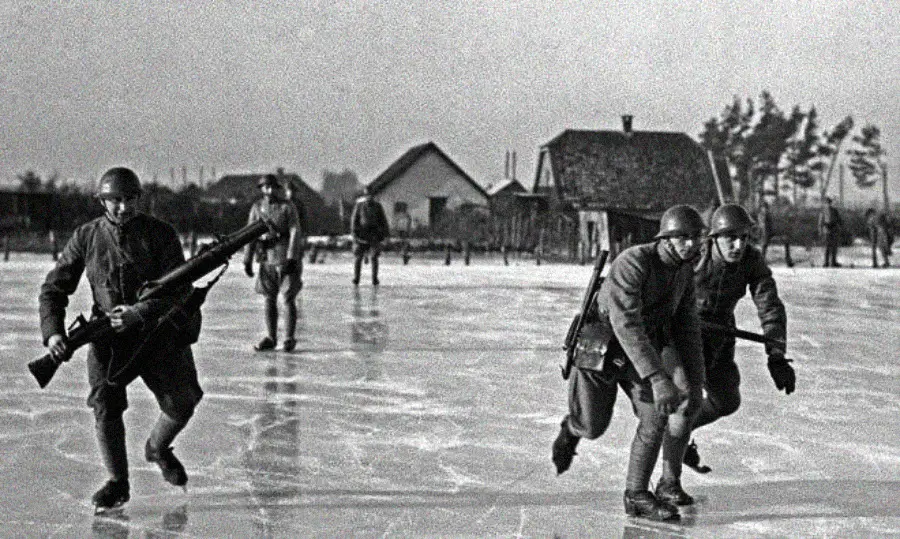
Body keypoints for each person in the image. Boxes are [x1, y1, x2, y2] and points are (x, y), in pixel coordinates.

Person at [39, 167, 204, 512]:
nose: (123, 208)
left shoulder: (161, 235)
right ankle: (117, 483)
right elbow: (54, 288)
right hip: (108, 338)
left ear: (139, 200)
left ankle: (158, 449)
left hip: (157, 334)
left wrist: (140, 312)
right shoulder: (86, 236)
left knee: (181, 403)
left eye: (129, 200)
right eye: (114, 200)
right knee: (105, 406)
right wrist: (54, 332)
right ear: (102, 201)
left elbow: (179, 290)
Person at [551, 204, 706, 522]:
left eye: (695, 237)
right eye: (682, 237)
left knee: (655, 416)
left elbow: (686, 325)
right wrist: (658, 378)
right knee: (593, 426)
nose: (690, 244)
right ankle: (572, 428)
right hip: (601, 349)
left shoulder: (684, 271)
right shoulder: (634, 261)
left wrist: (694, 376)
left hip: (641, 350)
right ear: (665, 239)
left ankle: (636, 494)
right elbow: (626, 324)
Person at [681, 204, 794, 472]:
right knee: (686, 400)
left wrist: (776, 355)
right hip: (686, 334)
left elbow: (770, 305)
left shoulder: (751, 260)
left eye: (744, 237)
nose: (738, 245)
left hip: (721, 336)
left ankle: (678, 433)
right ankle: (671, 467)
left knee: (726, 401)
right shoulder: (695, 257)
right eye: (730, 237)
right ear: (713, 239)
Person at [243, 174, 303, 352]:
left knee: (288, 297)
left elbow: (294, 230)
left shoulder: (287, 207)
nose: (269, 190)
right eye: (265, 187)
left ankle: (289, 338)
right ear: (261, 189)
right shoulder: (257, 208)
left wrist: (292, 257)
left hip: (285, 257)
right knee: (269, 298)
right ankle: (271, 337)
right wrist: (248, 259)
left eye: (272, 187)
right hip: (266, 258)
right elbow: (249, 233)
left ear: (277, 188)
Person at [349, 184, 389, 286]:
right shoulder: (359, 206)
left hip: (374, 235)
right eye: (367, 194)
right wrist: (354, 234)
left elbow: (383, 221)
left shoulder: (378, 206)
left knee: (374, 257)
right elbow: (354, 220)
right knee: (358, 257)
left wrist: (386, 235)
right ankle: (356, 278)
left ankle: (374, 279)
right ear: (365, 195)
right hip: (361, 235)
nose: (369, 197)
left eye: (371, 195)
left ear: (373, 196)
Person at [818, 197, 843, 267]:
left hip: (834, 229)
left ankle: (833, 262)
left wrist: (840, 227)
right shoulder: (823, 211)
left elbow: (839, 220)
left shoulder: (835, 211)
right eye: (826, 203)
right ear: (825, 204)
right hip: (827, 230)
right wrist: (820, 231)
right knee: (827, 247)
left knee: (834, 246)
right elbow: (820, 222)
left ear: (830, 203)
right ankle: (826, 262)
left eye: (829, 203)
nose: (828, 204)